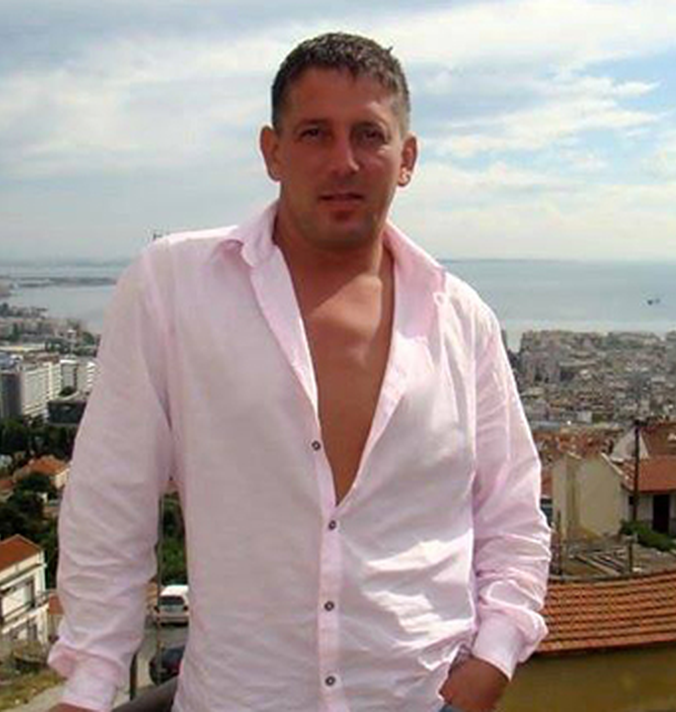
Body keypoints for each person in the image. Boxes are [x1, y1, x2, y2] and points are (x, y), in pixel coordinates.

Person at [48, 32, 550, 712]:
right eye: (315, 134)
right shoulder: (174, 287)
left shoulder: (462, 320)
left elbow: (511, 511)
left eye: (368, 135)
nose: (344, 161)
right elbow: (111, 497)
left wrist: (494, 655)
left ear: (406, 158)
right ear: (273, 152)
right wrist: (90, 682)